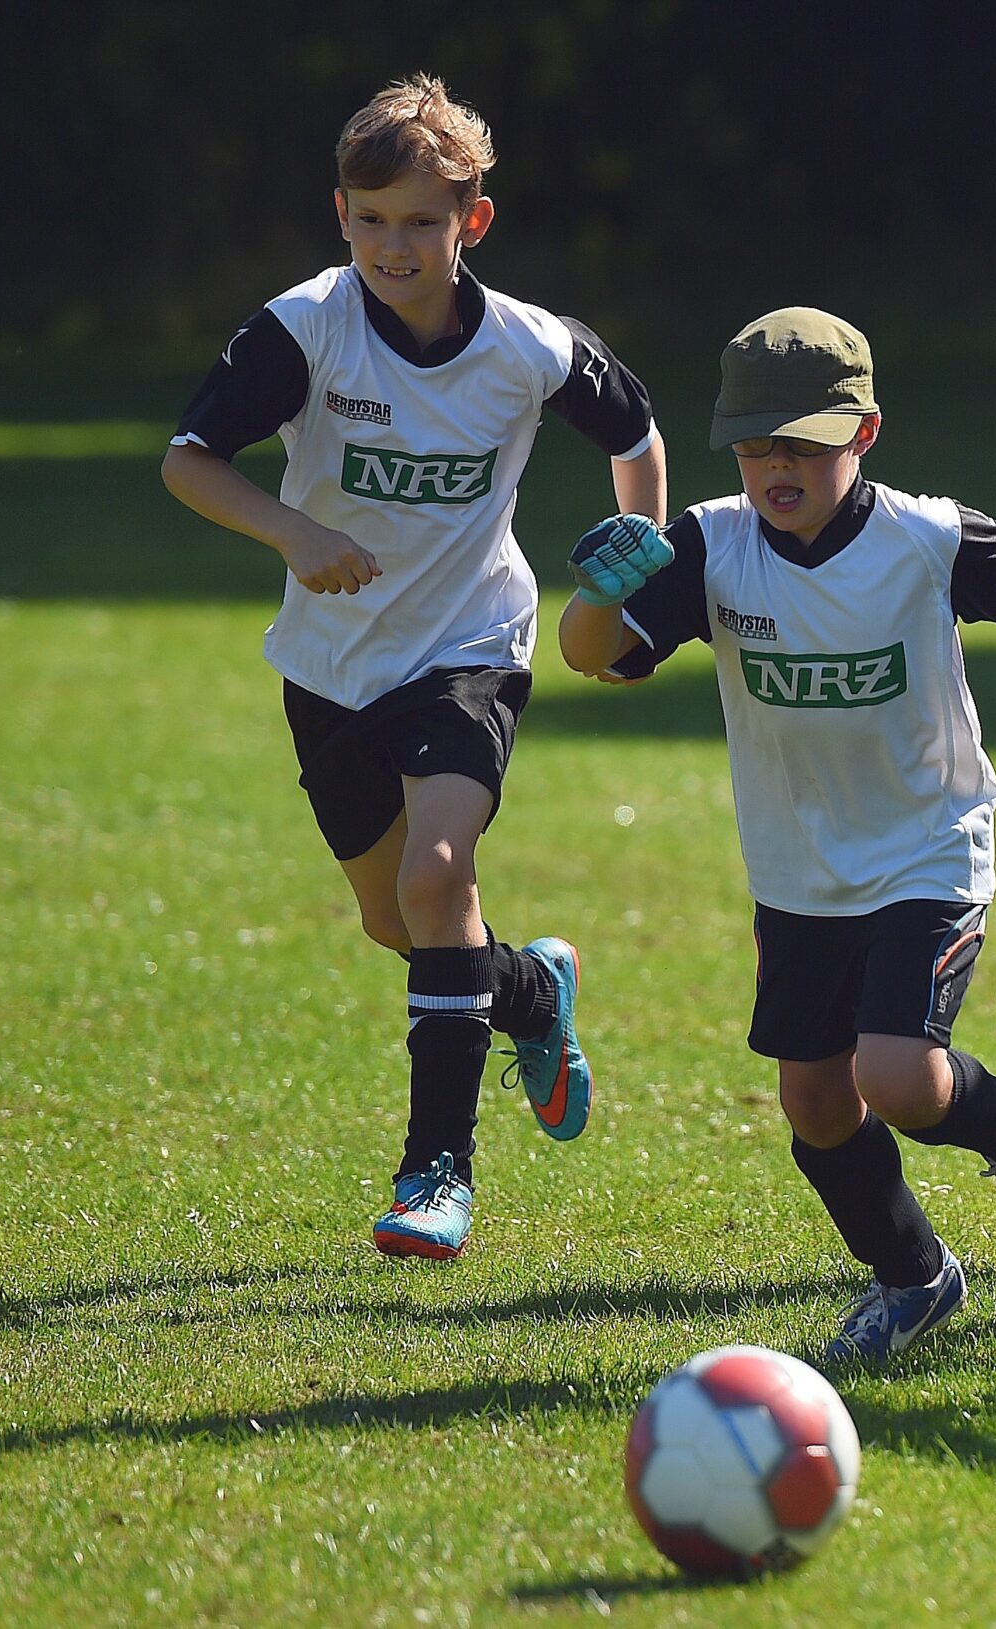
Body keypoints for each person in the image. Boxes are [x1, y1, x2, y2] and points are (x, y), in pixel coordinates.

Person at [555, 308, 996, 1360]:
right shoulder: (711, 543)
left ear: (865, 433)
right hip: (796, 868)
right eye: (756, 448)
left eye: (803, 443)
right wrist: (596, 594)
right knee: (812, 1101)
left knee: (892, 1075)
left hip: (927, 849)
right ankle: (914, 1278)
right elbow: (592, 656)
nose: (776, 469)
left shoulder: (923, 538)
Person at [161, 75, 665, 1260]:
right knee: (401, 924)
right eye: (373, 218)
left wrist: (628, 563)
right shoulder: (304, 330)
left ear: (470, 223)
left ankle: (434, 1177)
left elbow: (634, 432)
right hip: (328, 666)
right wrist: (296, 532)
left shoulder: (531, 347)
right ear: (341, 215)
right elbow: (191, 460)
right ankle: (530, 995)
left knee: (441, 880)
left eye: (422, 221)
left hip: (468, 646)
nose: (397, 244)